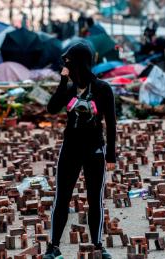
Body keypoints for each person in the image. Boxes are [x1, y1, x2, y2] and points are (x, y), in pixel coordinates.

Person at [45, 43, 116, 259]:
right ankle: (54, 247)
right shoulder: (69, 89)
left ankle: (97, 245)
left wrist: (111, 155)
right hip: (70, 149)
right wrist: (63, 80)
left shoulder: (103, 89)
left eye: (70, 61)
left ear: (81, 63)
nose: (66, 65)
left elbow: (111, 123)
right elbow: (51, 108)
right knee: (62, 198)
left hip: (95, 149)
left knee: (95, 198)